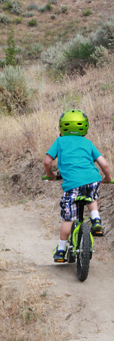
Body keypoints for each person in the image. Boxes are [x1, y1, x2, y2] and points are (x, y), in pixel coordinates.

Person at [43, 109, 112, 262]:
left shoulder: (59, 142)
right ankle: (96, 221)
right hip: (92, 179)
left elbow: (47, 162)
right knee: (91, 197)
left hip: (72, 184)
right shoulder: (88, 143)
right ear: (85, 126)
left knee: (68, 218)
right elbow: (104, 164)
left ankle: (61, 251)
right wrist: (107, 178)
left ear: (62, 126)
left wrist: (50, 175)